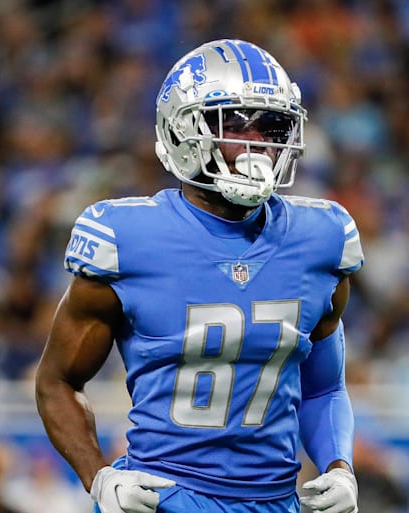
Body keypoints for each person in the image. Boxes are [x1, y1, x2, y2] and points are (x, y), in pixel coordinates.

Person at [35, 39, 363, 513]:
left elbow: (325, 386)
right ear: (182, 130)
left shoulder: (321, 240)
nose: (259, 144)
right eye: (234, 123)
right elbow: (57, 382)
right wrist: (98, 476)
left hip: (275, 501)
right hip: (164, 497)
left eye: (271, 126)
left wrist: (339, 466)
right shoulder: (129, 238)